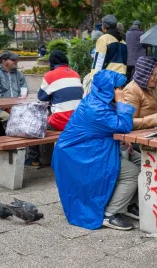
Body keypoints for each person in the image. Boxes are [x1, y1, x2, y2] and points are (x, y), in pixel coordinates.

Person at [52, 70, 138, 231]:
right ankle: (110, 214)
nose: (122, 91)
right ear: (108, 89)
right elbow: (124, 126)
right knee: (132, 173)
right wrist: (121, 102)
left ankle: (128, 204)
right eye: (118, 88)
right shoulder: (96, 108)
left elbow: (107, 129)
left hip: (88, 148)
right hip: (78, 155)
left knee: (139, 159)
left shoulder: (97, 100)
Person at [26, 50, 83, 166]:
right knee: (47, 119)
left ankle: (34, 159)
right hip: (77, 121)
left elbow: (41, 97)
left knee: (33, 124)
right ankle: (47, 158)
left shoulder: (50, 75)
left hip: (61, 122)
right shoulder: (75, 74)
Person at [124, 56, 157, 130]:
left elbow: (156, 112)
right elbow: (129, 122)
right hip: (137, 138)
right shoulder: (131, 90)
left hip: (152, 134)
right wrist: (156, 117)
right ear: (144, 74)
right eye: (153, 74)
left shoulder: (151, 87)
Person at [0, 51, 28, 124]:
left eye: (16, 59)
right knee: (11, 118)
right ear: (3, 61)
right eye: (13, 60)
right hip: (0, 109)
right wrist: (8, 108)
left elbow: (25, 89)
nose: (16, 61)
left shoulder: (19, 74)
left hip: (18, 107)